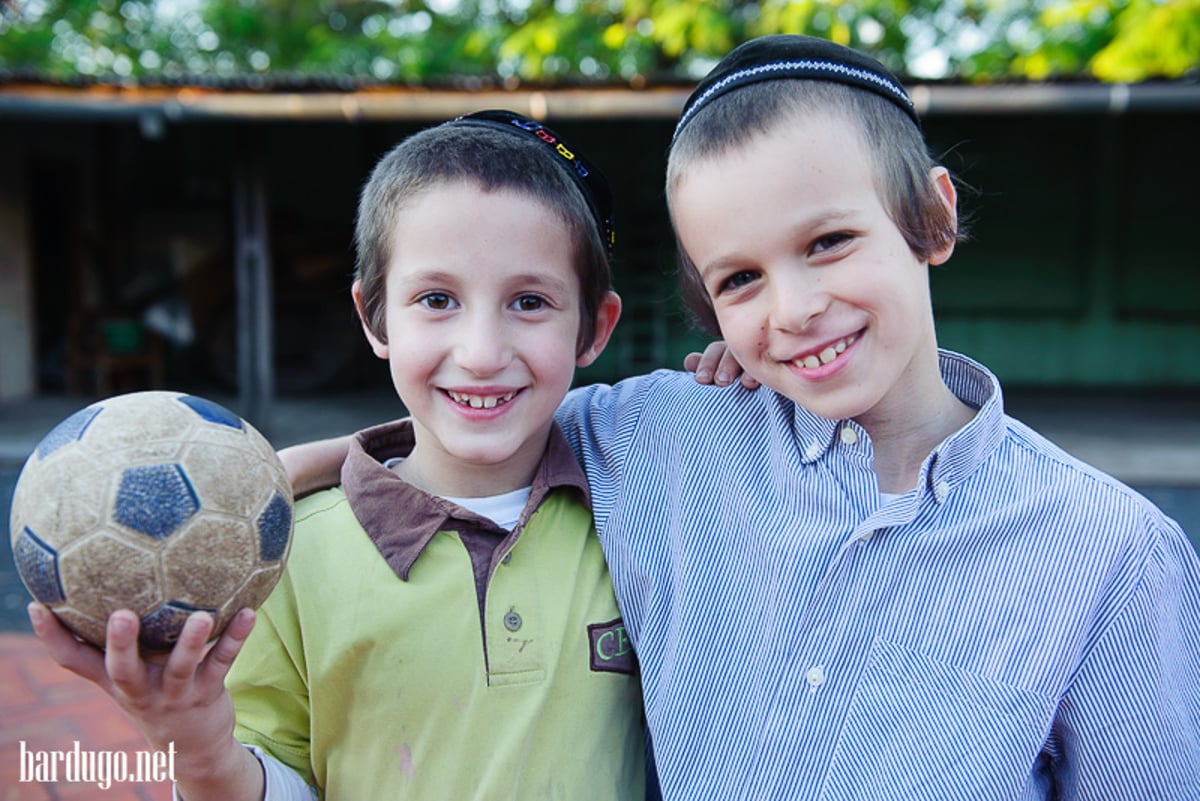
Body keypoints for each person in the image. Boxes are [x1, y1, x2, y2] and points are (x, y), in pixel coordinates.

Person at [282, 35, 1200, 799]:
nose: (793, 308)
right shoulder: (664, 438)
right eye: (741, 280)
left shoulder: (1110, 554)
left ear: (931, 217)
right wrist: (262, 482)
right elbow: (466, 427)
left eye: (828, 242)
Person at [28, 110, 651, 800]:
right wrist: (201, 750)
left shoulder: (642, 509)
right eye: (437, 298)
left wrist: (744, 369)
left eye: (529, 301)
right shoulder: (284, 556)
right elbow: (277, 779)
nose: (480, 353)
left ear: (593, 327)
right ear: (374, 316)